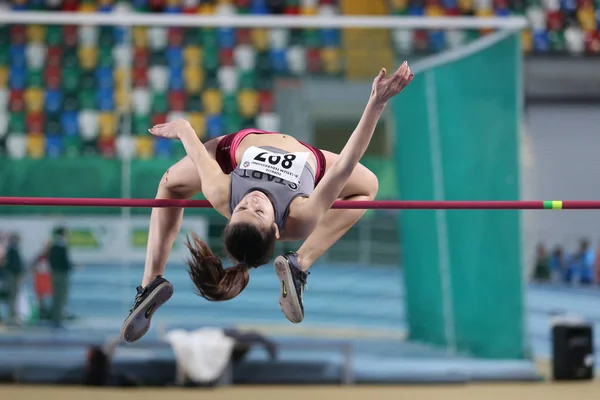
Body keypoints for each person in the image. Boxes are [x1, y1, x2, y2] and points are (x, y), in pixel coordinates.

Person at [121, 62, 414, 343]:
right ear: (275, 229)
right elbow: (345, 166)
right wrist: (376, 102)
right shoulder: (301, 215)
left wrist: (184, 129)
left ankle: (151, 281)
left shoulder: (224, 194)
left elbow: (198, 153)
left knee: (170, 185)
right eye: (257, 211)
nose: (251, 200)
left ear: (230, 214)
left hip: (231, 149)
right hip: (314, 161)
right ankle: (300, 263)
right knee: (368, 188)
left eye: (241, 209)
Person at [48, 226, 74, 328]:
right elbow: (61, 262)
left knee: (58, 297)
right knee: (60, 296)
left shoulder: (55, 246)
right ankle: (58, 319)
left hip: (57, 273)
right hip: (60, 274)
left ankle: (57, 318)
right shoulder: (59, 246)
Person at [4, 234, 25, 325]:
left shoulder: (13, 250)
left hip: (14, 275)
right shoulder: (12, 250)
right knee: (13, 296)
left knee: (15, 296)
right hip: (13, 276)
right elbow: (13, 265)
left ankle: (13, 315)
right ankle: (11, 316)